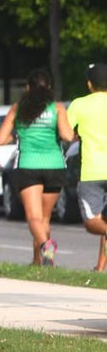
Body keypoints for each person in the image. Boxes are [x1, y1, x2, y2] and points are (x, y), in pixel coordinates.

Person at [0, 69, 75, 266]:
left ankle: (46, 246)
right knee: (45, 218)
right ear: (49, 87)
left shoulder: (18, 108)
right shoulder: (57, 108)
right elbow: (67, 136)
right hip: (55, 166)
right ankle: (38, 262)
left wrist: (17, 136)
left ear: (27, 87)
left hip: (28, 165)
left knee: (33, 217)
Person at [65, 63, 107, 272]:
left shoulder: (79, 105)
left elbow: (65, 132)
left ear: (89, 84)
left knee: (92, 223)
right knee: (105, 224)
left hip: (93, 171)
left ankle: (100, 267)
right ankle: (100, 267)